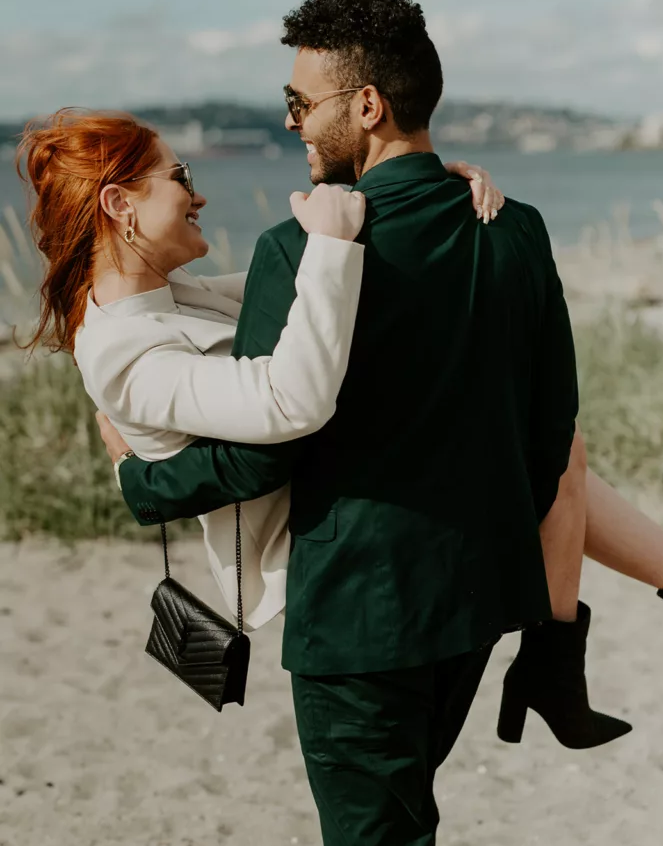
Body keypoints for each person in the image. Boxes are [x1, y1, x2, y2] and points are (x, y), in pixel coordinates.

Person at [98, 0, 629, 846]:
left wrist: (141, 487)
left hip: (360, 624)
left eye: (302, 104)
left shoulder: (296, 252)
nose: (295, 124)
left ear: (368, 105)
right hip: (475, 607)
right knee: (403, 828)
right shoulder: (517, 230)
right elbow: (552, 433)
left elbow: (267, 442)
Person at [18, 107, 497, 630]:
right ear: (118, 203)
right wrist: (334, 241)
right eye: (181, 178)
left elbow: (296, 277)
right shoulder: (120, 352)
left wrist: (418, 188)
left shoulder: (172, 297)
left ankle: (559, 657)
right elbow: (289, 403)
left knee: (558, 460)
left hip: (354, 511)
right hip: (317, 563)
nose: (198, 197)